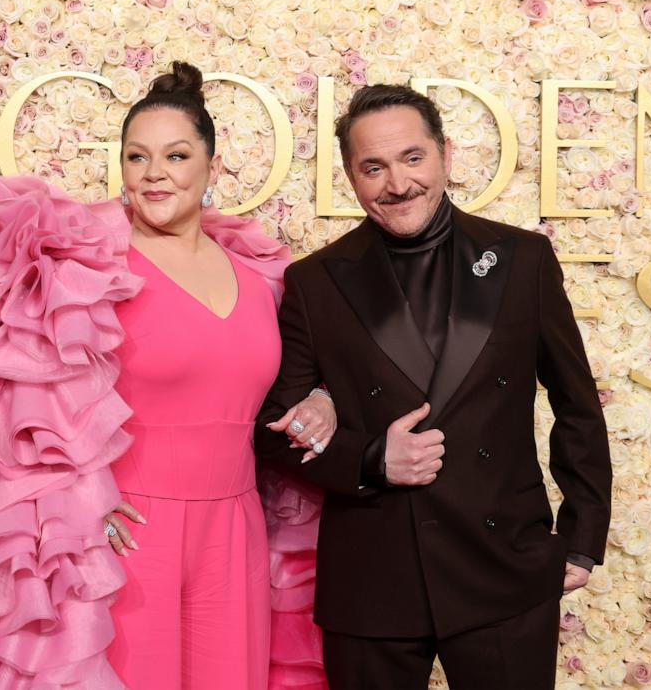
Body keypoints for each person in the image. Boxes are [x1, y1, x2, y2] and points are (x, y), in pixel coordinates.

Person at [0, 62, 332, 690]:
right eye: (136, 157)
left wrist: (322, 398)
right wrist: (73, 505)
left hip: (236, 532)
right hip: (123, 537)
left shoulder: (265, 279)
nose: (155, 173)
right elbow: (11, 404)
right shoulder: (89, 271)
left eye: (176, 155)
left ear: (211, 166)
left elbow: (295, 387)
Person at [254, 83, 612, 689]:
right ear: (351, 176)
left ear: (445, 153)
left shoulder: (523, 259)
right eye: (374, 167)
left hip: (503, 568)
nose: (397, 184)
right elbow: (274, 430)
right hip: (373, 580)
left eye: (412, 158)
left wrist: (580, 538)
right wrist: (371, 459)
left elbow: (576, 404)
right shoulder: (315, 283)